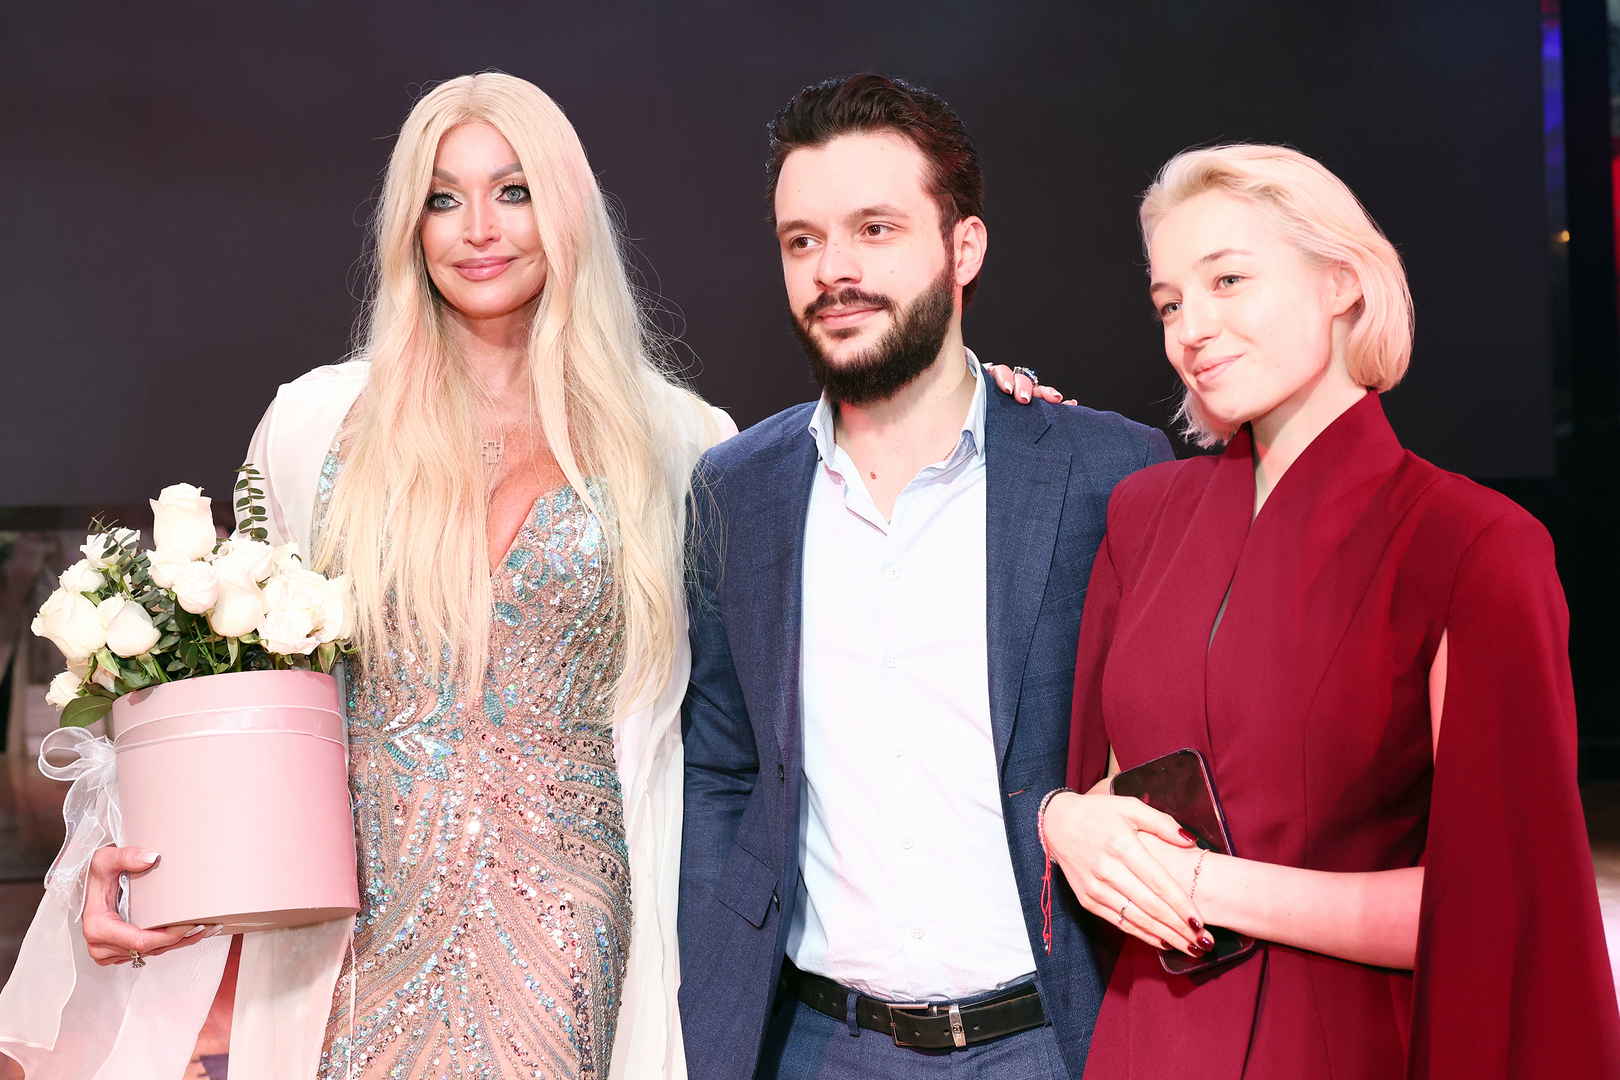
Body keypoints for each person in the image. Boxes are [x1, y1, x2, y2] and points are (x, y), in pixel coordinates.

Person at [5, 72, 736, 1080]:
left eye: (513, 191)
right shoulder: (315, 427)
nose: (478, 228)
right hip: (350, 920)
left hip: (574, 922)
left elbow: (737, 733)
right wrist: (126, 855)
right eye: (442, 198)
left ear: (569, 207)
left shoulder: (683, 442)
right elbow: (223, 685)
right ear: (409, 227)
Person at [1042, 144, 1620, 1078]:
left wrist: (1205, 885)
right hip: (1144, 1039)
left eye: (1228, 280)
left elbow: (1498, 909)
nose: (1192, 329)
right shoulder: (1143, 516)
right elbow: (1105, 791)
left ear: (1341, 282)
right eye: (1170, 303)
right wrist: (1065, 820)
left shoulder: (1471, 543)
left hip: (1339, 1047)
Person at [676, 74, 1174, 1080]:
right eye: (803, 240)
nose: (834, 270)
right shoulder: (736, 493)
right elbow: (723, 768)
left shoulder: (1108, 473)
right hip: (815, 1047)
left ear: (963, 248)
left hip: (1048, 1040)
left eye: (875, 229)